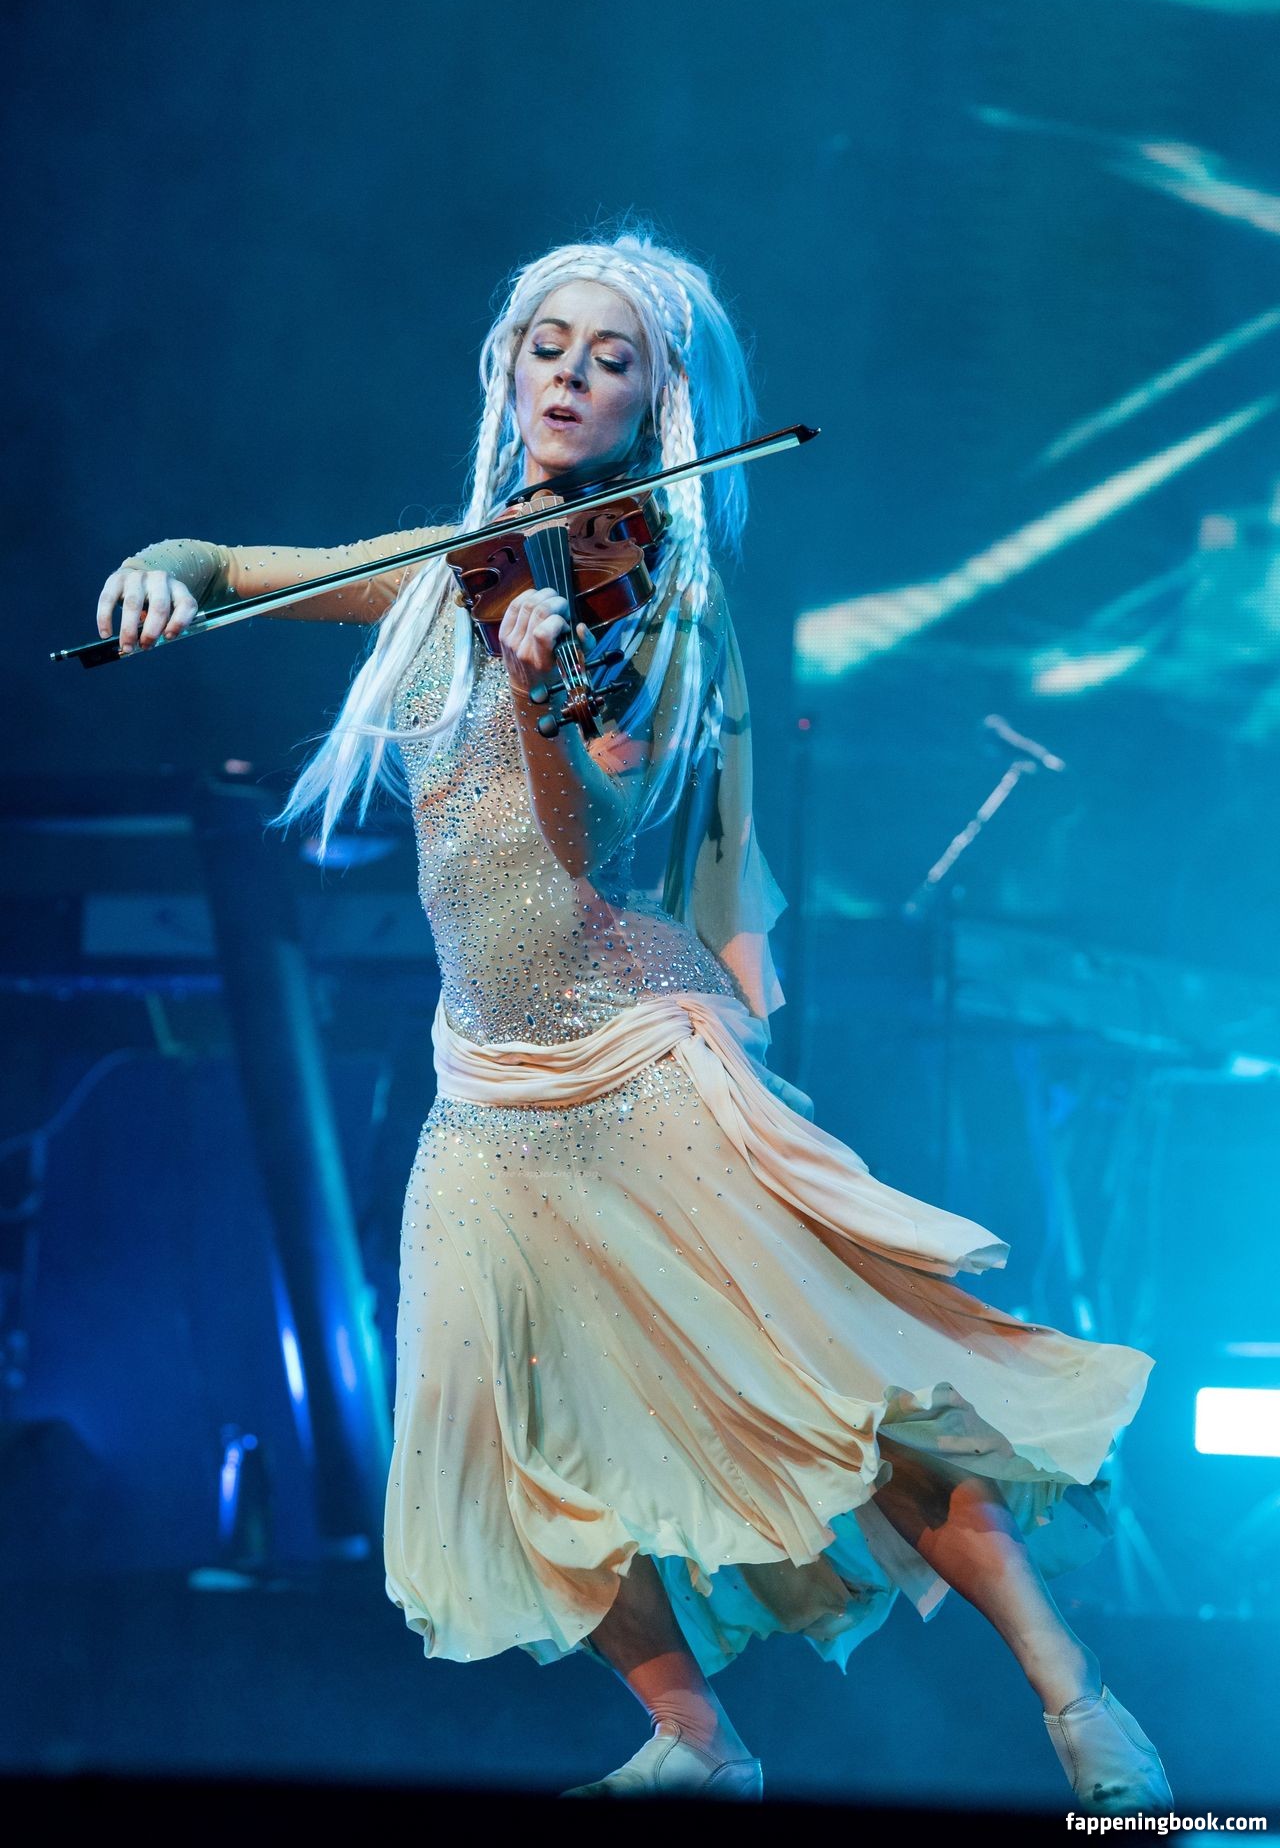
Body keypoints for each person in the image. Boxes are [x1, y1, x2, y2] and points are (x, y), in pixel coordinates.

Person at [96, 229, 1174, 1812]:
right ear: (508, 370)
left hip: (636, 1050)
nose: (569, 379)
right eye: (548, 348)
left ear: (654, 402)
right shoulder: (460, 566)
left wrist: (547, 689)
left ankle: (1079, 1700)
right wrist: (164, 571)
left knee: (839, 1392)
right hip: (486, 1079)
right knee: (502, 1426)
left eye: (608, 361)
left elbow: (598, 832)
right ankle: (698, 1740)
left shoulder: (655, 599)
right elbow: (233, 565)